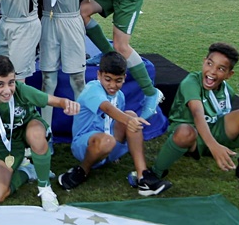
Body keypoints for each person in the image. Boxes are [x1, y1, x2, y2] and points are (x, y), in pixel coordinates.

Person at [22, 0, 120, 133]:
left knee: (77, 80)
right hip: (48, 22)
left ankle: (83, 129)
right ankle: (46, 131)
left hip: (71, 22)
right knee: (48, 79)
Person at [0, 55, 80, 212]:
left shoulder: (21, 90)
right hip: (8, 142)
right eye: (0, 84)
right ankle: (27, 171)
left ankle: (45, 188)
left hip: (30, 129)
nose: (7, 90)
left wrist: (66, 103)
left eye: (11, 82)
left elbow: (52, 100)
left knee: (35, 134)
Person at [150, 43, 239, 188]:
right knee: (185, 132)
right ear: (204, 62)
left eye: (221, 69)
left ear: (229, 74)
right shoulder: (191, 82)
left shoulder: (227, 91)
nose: (212, 71)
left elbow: (222, 117)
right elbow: (197, 113)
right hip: (191, 137)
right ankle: (155, 173)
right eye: (210, 64)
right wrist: (213, 145)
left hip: (213, 133)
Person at [58, 52, 172, 196]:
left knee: (131, 115)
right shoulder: (92, 88)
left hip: (110, 145)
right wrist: (129, 121)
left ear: (124, 78)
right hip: (85, 146)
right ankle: (82, 170)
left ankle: (142, 176)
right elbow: (107, 108)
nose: (112, 85)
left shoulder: (120, 96)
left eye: (118, 80)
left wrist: (130, 120)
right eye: (108, 79)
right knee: (119, 129)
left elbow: (117, 118)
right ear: (99, 75)